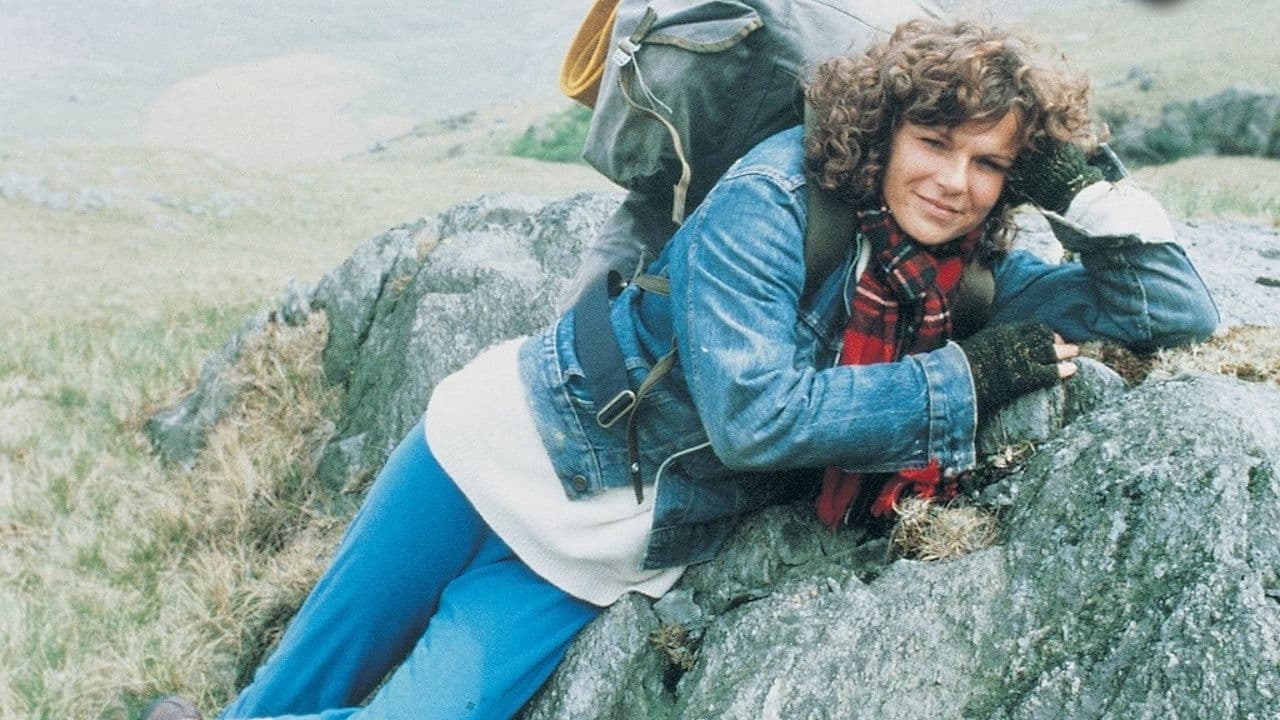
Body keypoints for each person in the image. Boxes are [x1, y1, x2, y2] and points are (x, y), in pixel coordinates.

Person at [142, 18, 1217, 720]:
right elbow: (756, 419)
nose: (953, 182)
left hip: (596, 552)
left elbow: (1170, 306)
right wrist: (966, 382)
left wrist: (1081, 179)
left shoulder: (968, 278)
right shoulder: (771, 199)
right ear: (887, 130)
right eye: (935, 143)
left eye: (990, 163)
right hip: (487, 450)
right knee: (287, 692)